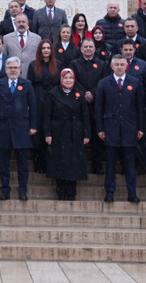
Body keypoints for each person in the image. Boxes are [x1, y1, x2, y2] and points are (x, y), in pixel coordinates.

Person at [95, 55, 144, 203]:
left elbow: (140, 108)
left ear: (126, 66)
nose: (119, 67)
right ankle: (109, 192)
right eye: (116, 64)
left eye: (122, 64)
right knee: (110, 164)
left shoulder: (135, 83)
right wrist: (100, 129)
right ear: (112, 66)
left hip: (130, 128)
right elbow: (99, 108)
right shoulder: (103, 83)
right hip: (111, 128)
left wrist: (140, 128)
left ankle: (132, 193)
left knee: (130, 165)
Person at [0, 57, 37, 201]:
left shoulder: (27, 84)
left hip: (21, 128)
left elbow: (33, 106)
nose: (13, 70)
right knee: (3, 163)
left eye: (15, 68)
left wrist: (33, 125)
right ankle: (5, 189)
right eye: (10, 68)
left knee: (23, 163)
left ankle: (22, 190)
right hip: (4, 128)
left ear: (20, 70)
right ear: (6, 70)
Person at [45, 68, 90, 200]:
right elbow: (47, 116)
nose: (68, 80)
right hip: (58, 132)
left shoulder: (79, 95)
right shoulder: (53, 94)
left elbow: (85, 116)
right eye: (65, 78)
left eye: (71, 78)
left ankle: (71, 191)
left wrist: (86, 134)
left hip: (75, 132)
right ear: (61, 79)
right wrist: (48, 133)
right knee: (60, 162)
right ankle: (60, 191)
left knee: (73, 163)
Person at [70, 38, 109, 174]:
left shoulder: (102, 64)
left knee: (97, 138)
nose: (88, 49)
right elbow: (72, 80)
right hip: (79, 104)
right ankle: (79, 166)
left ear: (94, 49)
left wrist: (93, 93)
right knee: (80, 136)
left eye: (90, 47)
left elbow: (104, 82)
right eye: (85, 47)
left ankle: (97, 166)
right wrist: (84, 94)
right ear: (81, 49)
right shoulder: (74, 64)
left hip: (96, 105)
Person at [27, 39, 59, 173]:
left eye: (48, 48)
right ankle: (38, 160)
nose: (46, 50)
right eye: (43, 48)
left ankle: (50, 161)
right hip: (38, 100)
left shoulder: (58, 65)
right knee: (38, 130)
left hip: (53, 100)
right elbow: (29, 85)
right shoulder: (33, 65)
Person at [3, 13, 42, 77]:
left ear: (27, 23)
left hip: (31, 75)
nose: (21, 24)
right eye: (19, 22)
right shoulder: (6, 38)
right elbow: (4, 57)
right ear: (15, 23)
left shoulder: (37, 38)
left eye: (23, 22)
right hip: (13, 76)